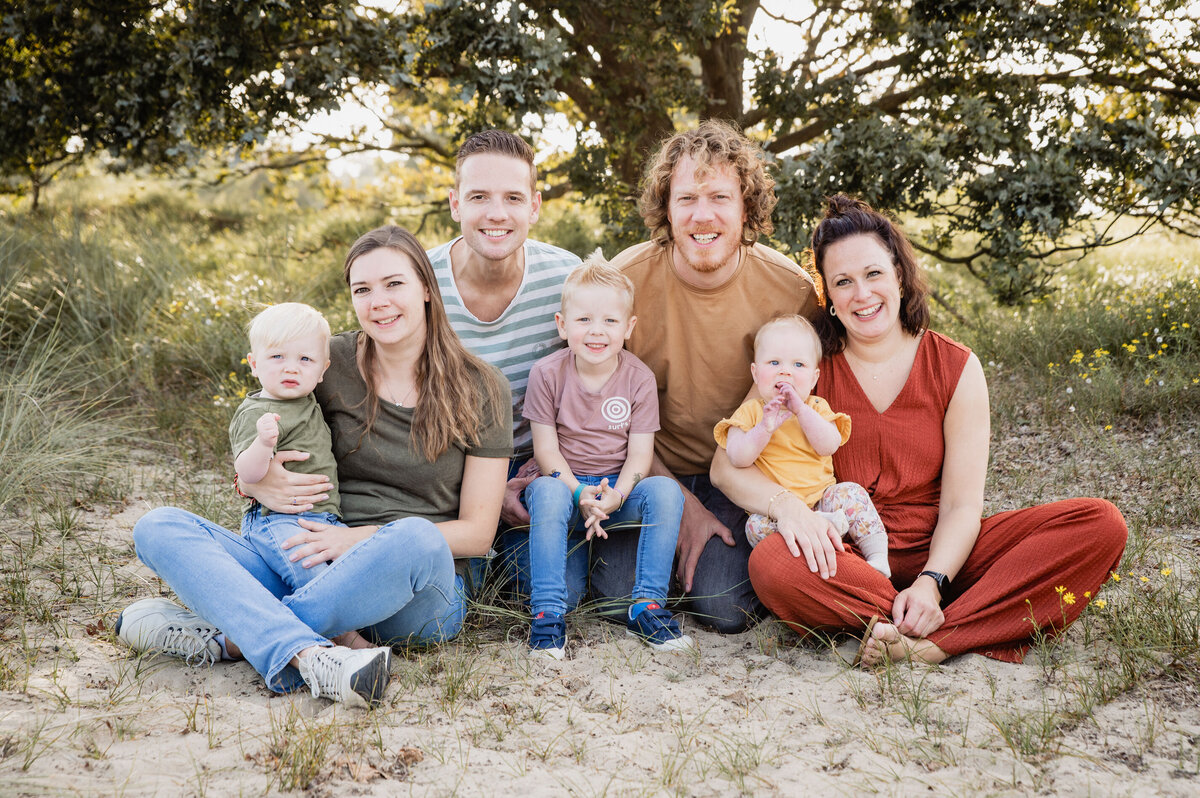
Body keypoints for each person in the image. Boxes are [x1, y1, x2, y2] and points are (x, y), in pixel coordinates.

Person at [722, 195, 1127, 666]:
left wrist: (932, 582)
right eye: (843, 282)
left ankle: (925, 640)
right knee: (773, 562)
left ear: (898, 274)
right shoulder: (804, 369)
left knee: (1099, 525)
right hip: (846, 555)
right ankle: (940, 622)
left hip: (945, 555)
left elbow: (961, 506)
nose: (862, 293)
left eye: (873, 274)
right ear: (828, 299)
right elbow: (726, 468)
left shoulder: (956, 366)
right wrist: (788, 508)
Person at [116, 226, 512, 706]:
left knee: (415, 535)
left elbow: (477, 534)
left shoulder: (482, 386)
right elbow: (258, 427)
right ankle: (311, 651)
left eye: (394, 284)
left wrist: (355, 540)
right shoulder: (327, 360)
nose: (378, 302)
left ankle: (237, 637)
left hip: (415, 586)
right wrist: (253, 484)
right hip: (310, 558)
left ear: (427, 288)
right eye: (362, 289)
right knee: (159, 526)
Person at [602, 119, 820, 632]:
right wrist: (681, 507)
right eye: (687, 199)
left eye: (720, 197)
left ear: (747, 208)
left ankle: (694, 567)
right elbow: (605, 413)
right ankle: (669, 548)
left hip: (743, 472)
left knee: (725, 607)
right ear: (666, 208)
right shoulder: (625, 282)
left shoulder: (790, 291)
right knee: (613, 597)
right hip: (647, 468)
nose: (703, 216)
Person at [425, 129, 582, 603]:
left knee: (560, 591)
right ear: (455, 205)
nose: (497, 213)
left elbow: (589, 386)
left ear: (534, 206)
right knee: (442, 595)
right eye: (479, 197)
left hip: (534, 467)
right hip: (444, 470)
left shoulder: (566, 279)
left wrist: (537, 470)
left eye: (513, 197)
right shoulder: (419, 281)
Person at [522, 256, 692, 659]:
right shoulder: (547, 374)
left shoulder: (638, 378)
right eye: (583, 320)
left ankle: (647, 606)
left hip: (617, 489)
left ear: (628, 328)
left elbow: (640, 454)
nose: (596, 331)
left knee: (666, 492)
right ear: (562, 325)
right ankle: (547, 614)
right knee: (546, 494)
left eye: (610, 322)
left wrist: (616, 494)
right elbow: (546, 451)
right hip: (564, 485)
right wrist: (579, 490)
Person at [713, 315, 890, 577]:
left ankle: (877, 556)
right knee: (754, 526)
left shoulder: (815, 407)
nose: (785, 371)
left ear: (814, 376)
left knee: (852, 494)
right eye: (774, 363)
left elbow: (828, 445)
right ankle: (808, 549)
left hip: (823, 499)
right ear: (755, 372)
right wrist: (764, 429)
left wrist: (801, 411)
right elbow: (737, 458)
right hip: (776, 512)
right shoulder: (751, 412)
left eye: (798, 364)